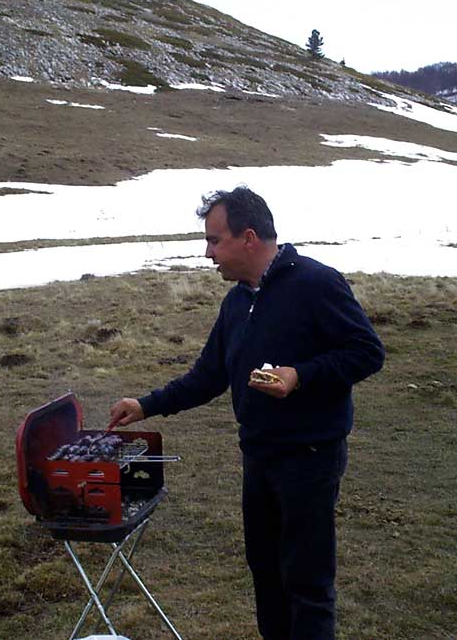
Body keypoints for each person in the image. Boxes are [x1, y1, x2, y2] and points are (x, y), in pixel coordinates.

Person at [108, 185, 384, 640]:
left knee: (307, 583)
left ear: (249, 238)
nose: (207, 253)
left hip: (309, 456)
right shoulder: (237, 301)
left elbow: (366, 352)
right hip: (258, 458)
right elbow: (209, 375)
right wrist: (146, 405)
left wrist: (301, 375)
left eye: (215, 241)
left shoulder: (316, 284)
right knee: (266, 575)